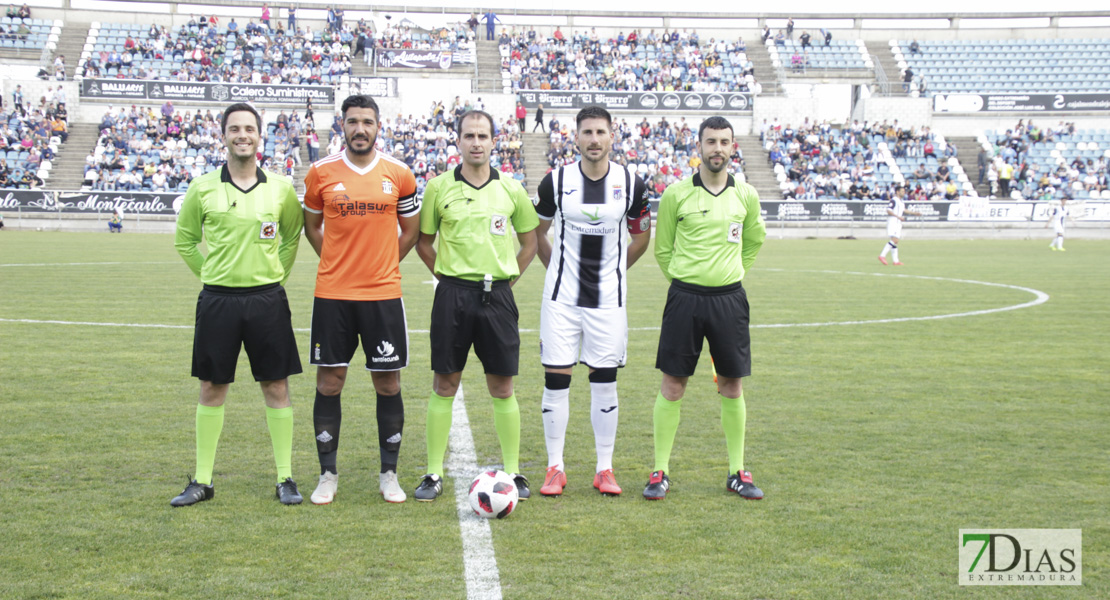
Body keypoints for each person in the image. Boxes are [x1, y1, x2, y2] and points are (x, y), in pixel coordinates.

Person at [171, 103, 305, 507]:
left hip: (267, 300)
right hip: (218, 301)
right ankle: (203, 480)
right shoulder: (202, 187)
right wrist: (212, 272)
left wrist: (274, 277)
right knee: (212, 387)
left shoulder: (280, 188)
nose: (242, 134)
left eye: (249, 128)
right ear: (223, 135)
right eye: (234, 129)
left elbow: (291, 236)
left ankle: (285, 477)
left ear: (260, 136)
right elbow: (185, 240)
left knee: (276, 385)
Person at [413, 110, 539, 502]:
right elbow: (423, 241)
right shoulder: (438, 187)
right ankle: (433, 472)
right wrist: (449, 278)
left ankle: (514, 471)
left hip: (497, 297)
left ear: (494, 141)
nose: (476, 142)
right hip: (452, 296)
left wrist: (505, 281)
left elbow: (530, 242)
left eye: (483, 135)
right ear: (458, 141)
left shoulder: (512, 189)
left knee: (502, 386)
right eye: (469, 135)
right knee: (445, 383)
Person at [301, 95, 420, 505]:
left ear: (378, 127)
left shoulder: (400, 174)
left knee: (387, 382)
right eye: (353, 122)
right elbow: (312, 227)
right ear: (342, 126)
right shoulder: (320, 173)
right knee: (329, 381)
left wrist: (383, 263)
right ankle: (327, 475)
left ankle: (389, 474)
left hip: (382, 296)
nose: (360, 129)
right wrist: (337, 262)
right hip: (332, 295)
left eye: (367, 122)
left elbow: (411, 231)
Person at [645, 116, 766, 501]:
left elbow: (753, 241)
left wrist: (733, 272)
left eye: (724, 142)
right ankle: (660, 470)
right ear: (698, 147)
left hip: (729, 300)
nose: (717, 148)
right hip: (684, 299)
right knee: (673, 383)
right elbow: (663, 249)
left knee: (731, 384)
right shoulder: (676, 195)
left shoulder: (746, 195)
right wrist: (685, 278)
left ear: (733, 147)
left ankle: (736, 471)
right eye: (710, 141)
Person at [533, 106, 651, 497]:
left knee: (604, 380)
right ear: (576, 137)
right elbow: (538, 232)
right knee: (556, 379)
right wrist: (558, 272)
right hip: (562, 300)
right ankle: (555, 467)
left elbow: (641, 237)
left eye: (601, 132)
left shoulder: (632, 183)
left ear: (612, 136)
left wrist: (615, 270)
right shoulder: (557, 180)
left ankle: (604, 468)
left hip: (608, 301)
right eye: (587, 132)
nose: (594, 139)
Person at [878, 184, 919, 266]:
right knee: (895, 240)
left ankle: (895, 261)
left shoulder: (901, 201)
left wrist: (915, 213)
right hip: (893, 221)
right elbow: (888, 210)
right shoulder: (894, 200)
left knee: (896, 242)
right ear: (897, 192)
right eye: (902, 191)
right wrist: (898, 217)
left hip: (898, 222)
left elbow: (904, 210)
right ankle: (882, 255)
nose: (904, 193)